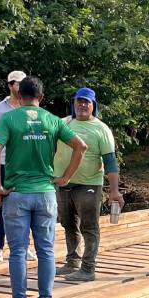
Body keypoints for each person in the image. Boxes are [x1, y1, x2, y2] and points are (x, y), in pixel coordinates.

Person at [0, 76, 87, 298]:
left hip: (16, 194)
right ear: (41, 98)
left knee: (18, 251)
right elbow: (81, 146)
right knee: (45, 250)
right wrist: (64, 178)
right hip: (45, 193)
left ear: (19, 96)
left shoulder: (8, 118)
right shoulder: (52, 119)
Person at [54, 87, 122, 282]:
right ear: (73, 103)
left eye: (87, 102)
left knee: (89, 226)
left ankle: (88, 268)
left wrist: (114, 190)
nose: (82, 105)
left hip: (89, 184)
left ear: (94, 106)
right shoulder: (64, 123)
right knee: (68, 223)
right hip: (64, 182)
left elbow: (110, 160)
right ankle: (72, 262)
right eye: (79, 101)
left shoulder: (101, 129)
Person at [0, 70, 26, 262]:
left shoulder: (29, 107)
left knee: (24, 205)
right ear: (10, 85)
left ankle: (23, 245)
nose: (19, 86)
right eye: (16, 83)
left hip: (23, 163)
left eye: (22, 83)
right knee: (0, 204)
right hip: (1, 162)